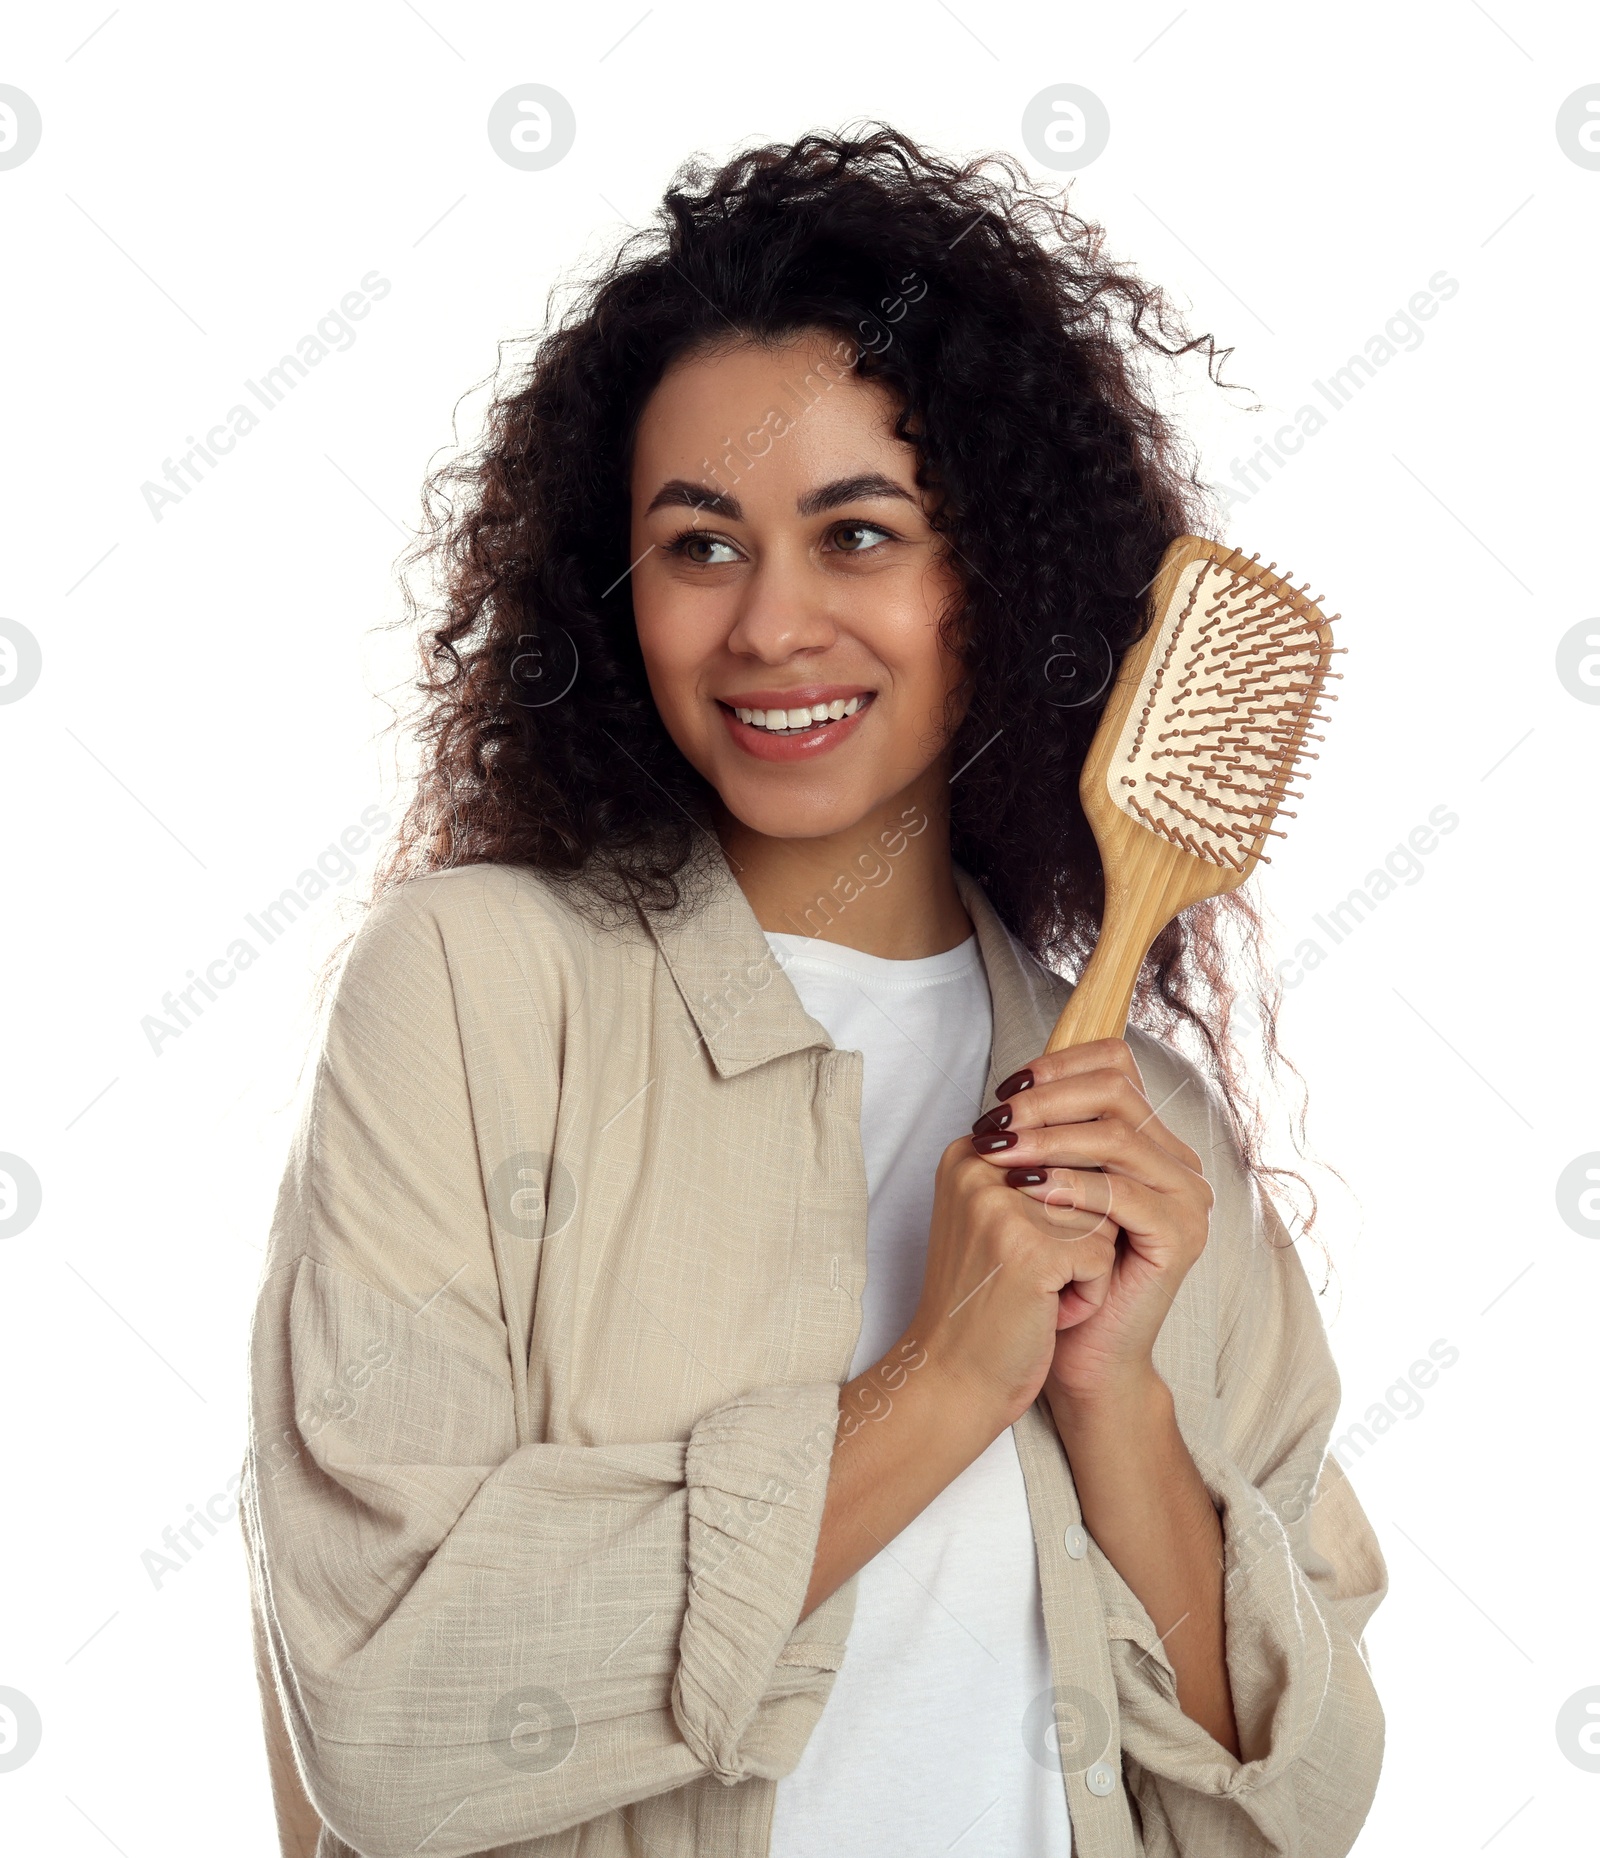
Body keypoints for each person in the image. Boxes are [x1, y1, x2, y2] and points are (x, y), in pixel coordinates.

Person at [240, 128, 1386, 1858]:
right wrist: (938, 1377)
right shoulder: (477, 994)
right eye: (700, 547)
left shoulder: (1156, 1139)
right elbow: (390, 1723)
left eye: (858, 533)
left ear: (992, 576)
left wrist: (1113, 1400)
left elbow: (1294, 1806)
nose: (771, 623)